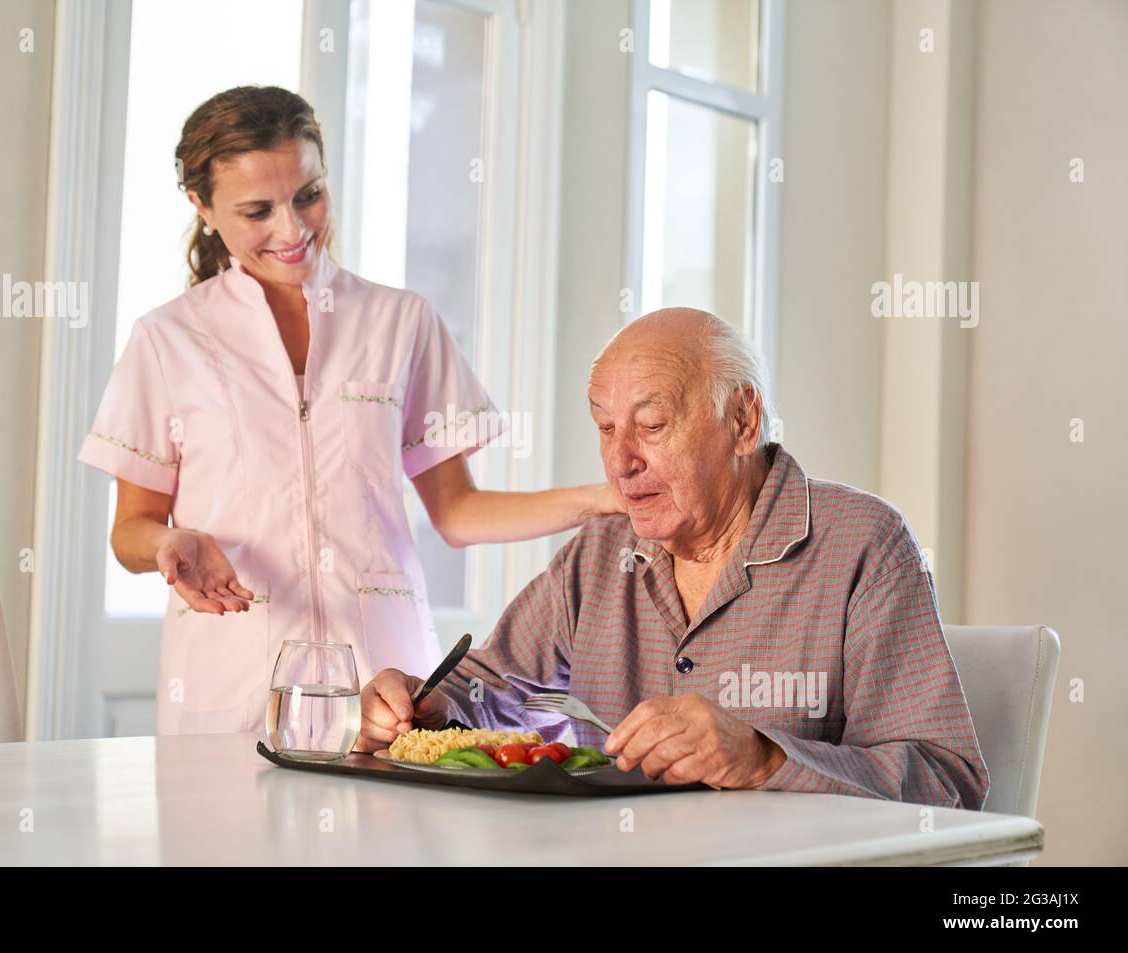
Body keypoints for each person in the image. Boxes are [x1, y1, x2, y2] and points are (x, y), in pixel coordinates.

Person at [77, 86, 621, 735]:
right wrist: (172, 540)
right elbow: (129, 531)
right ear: (202, 206)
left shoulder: (400, 322)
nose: (293, 229)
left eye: (309, 194)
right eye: (257, 210)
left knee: (387, 834)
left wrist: (601, 499)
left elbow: (458, 512)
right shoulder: (167, 340)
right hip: (230, 687)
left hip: (384, 684)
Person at [355, 307, 990, 809]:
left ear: (743, 420)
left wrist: (765, 758)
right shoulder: (601, 552)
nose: (622, 460)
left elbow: (947, 782)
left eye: (652, 425)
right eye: (606, 428)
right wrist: (427, 706)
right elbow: (489, 691)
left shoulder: (864, 544)